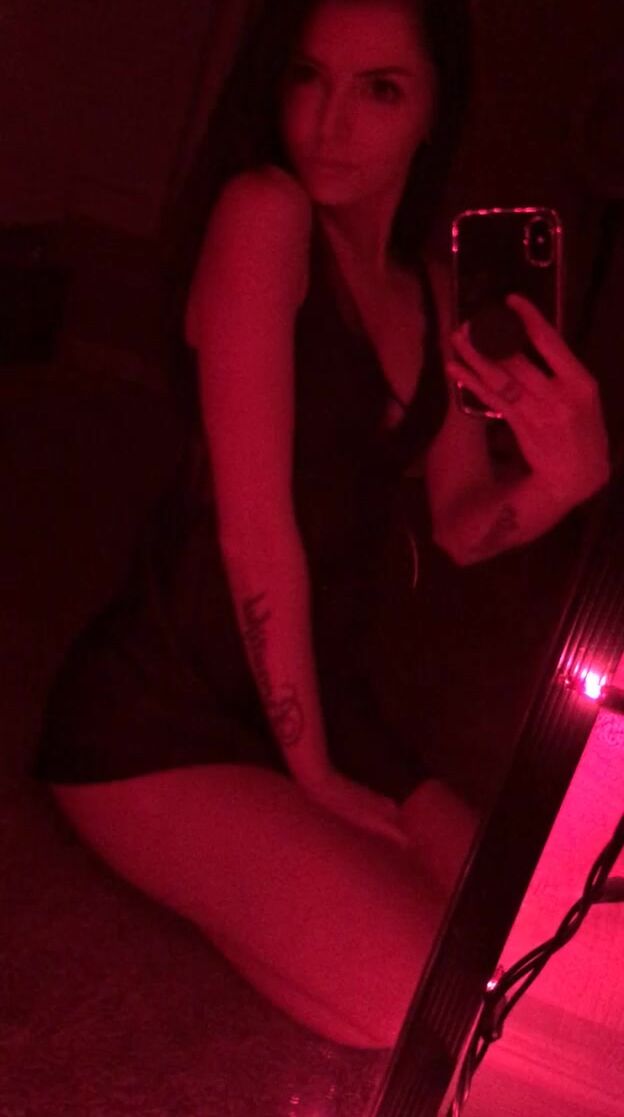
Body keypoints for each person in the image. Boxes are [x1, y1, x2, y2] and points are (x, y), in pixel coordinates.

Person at [33, 0, 610, 1049]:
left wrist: (566, 481)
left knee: (545, 936)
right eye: (309, 77)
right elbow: (255, 532)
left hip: (334, 702)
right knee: (440, 999)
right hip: (162, 708)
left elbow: (461, 524)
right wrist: (313, 778)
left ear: (433, 111)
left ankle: (268, 884)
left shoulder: (431, 288)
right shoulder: (265, 213)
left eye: (380, 89)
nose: (330, 122)